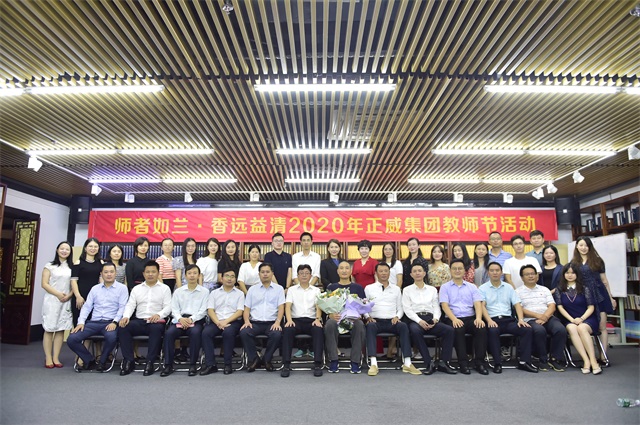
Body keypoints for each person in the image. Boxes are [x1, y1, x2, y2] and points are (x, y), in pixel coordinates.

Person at [67, 263, 128, 372]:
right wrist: (81, 322)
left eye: (111, 272)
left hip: (110, 322)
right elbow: (87, 307)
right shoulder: (95, 288)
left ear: (115, 273)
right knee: (72, 339)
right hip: (93, 323)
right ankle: (89, 360)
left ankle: (102, 361)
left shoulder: (122, 288)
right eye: (106, 272)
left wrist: (115, 322)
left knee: (111, 338)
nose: (109, 274)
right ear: (101, 274)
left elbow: (122, 308)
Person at [479, 262, 537, 374]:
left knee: (526, 329)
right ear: (488, 273)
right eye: (492, 270)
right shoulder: (483, 288)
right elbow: (482, 306)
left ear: (501, 272)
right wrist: (489, 320)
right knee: (492, 331)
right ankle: (497, 363)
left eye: (497, 270)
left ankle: (524, 362)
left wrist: (520, 319)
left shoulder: (508, 287)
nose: (495, 273)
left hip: (508, 320)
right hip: (493, 320)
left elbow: (517, 304)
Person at [364, 263, 421, 376]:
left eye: (386, 271)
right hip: (375, 321)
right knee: (370, 326)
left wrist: (397, 317)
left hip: (392, 320)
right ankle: (373, 363)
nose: (384, 273)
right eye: (381, 271)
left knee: (403, 326)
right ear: (376, 273)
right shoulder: (369, 288)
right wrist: (368, 317)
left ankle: (408, 363)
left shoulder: (396, 289)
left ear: (389, 273)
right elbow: (365, 307)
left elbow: (400, 307)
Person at [402, 263, 457, 375]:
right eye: (415, 271)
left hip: (431, 318)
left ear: (424, 273)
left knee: (449, 330)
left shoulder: (432, 289)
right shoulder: (407, 290)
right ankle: (429, 363)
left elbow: (436, 306)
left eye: (420, 271)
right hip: (415, 319)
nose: (417, 273)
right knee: (415, 331)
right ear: (411, 275)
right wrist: (419, 321)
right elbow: (407, 309)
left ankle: (444, 362)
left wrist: (435, 319)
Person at [118, 261, 172, 376]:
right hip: (139, 320)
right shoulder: (137, 289)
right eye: (147, 272)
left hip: (156, 321)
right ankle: (129, 361)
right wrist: (126, 316)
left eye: (153, 272)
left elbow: (168, 307)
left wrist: (159, 315)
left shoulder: (165, 288)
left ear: (158, 273)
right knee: (123, 327)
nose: (150, 274)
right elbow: (130, 305)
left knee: (156, 329)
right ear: (143, 274)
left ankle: (150, 362)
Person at [439, 258, 489, 375]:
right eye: (454, 269)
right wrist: (454, 319)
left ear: (464, 270)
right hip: (453, 318)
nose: (457, 271)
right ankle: (463, 363)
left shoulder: (472, 287)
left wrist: (478, 318)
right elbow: (444, 306)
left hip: (470, 318)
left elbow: (477, 304)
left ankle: (479, 362)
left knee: (481, 328)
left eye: (460, 268)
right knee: (458, 329)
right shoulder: (445, 287)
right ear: (450, 270)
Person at [160, 264, 209, 377]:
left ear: (199, 275)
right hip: (179, 320)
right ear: (185, 276)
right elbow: (174, 309)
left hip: (196, 320)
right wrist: (181, 319)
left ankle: (193, 364)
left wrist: (191, 319)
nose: (192, 275)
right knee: (169, 333)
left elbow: (203, 311)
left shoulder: (205, 291)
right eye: (189, 273)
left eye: (195, 273)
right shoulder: (178, 291)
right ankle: (168, 365)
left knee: (195, 333)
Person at [517, 264, 567, 372]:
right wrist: (538, 316)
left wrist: (545, 317)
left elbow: (552, 306)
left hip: (548, 317)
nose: (531, 276)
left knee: (560, 329)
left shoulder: (544, 289)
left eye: (533, 274)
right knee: (539, 330)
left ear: (537, 276)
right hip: (530, 319)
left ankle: (555, 359)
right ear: (522, 277)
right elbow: (520, 309)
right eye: (527, 274)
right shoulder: (517, 292)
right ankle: (543, 359)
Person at [553, 263, 602, 375]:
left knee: (582, 328)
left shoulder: (585, 288)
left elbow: (591, 307)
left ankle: (593, 361)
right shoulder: (559, 289)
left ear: (577, 274)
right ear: (563, 274)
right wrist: (572, 319)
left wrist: (581, 318)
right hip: (569, 319)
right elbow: (560, 307)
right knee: (572, 328)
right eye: (567, 273)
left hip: (588, 318)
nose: (570, 275)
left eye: (573, 273)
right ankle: (586, 361)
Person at [572, 236, 616, 358]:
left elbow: (604, 281)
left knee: (602, 326)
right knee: (586, 325)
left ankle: (603, 355)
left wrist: (610, 297)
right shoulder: (573, 263)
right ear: (577, 246)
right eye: (581, 245)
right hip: (583, 296)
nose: (583, 248)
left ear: (590, 247)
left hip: (599, 294)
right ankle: (590, 355)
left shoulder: (597, 260)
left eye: (586, 245)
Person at [239, 263, 285, 372]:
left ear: (272, 273)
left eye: (267, 272)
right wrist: (246, 321)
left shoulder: (279, 289)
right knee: (244, 332)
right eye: (262, 272)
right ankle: (254, 358)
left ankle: (267, 359)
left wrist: (278, 322)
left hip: (272, 322)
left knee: (277, 334)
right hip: (255, 323)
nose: (265, 274)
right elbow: (247, 308)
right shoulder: (252, 289)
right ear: (259, 274)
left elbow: (281, 308)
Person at [281, 264, 324, 378]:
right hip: (295, 320)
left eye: (306, 273)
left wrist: (317, 319)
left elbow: (318, 306)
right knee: (287, 330)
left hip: (311, 320)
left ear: (310, 276)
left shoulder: (316, 290)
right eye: (301, 273)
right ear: (297, 276)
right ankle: (286, 364)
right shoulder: (292, 290)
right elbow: (287, 306)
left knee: (318, 330)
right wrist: (289, 320)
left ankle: (317, 364)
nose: (304, 275)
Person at [200, 269, 245, 375]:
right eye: (227, 276)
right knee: (206, 333)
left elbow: (240, 312)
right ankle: (210, 365)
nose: (229, 278)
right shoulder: (214, 293)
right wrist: (218, 322)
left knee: (228, 333)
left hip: (233, 321)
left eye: (232, 276)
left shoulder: (240, 294)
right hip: (216, 321)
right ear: (222, 278)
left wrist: (226, 322)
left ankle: (228, 364)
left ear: (235, 279)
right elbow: (210, 310)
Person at [325, 261, 366, 374]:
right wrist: (330, 315)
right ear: (337, 271)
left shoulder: (358, 288)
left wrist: (358, 315)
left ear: (351, 271)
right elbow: (326, 306)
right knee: (329, 324)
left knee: (360, 325)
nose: (344, 271)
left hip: (352, 320)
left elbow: (363, 305)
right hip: (337, 319)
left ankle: (355, 361)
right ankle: (334, 360)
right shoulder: (331, 287)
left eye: (347, 268)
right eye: (341, 268)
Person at [41, 241, 73, 368]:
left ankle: (56, 357)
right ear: (57, 250)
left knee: (61, 329)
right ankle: (48, 358)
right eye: (62, 249)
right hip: (52, 300)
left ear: (70, 252)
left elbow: (74, 284)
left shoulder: (71, 267)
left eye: (67, 249)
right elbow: (44, 284)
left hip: (66, 300)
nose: (64, 251)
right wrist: (58, 294)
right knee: (49, 329)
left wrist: (69, 295)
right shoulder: (49, 266)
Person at [70, 237, 103, 325]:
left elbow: (101, 281)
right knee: (78, 323)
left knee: (91, 324)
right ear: (85, 248)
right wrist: (78, 296)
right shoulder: (78, 262)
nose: (93, 249)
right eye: (90, 246)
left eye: (95, 246)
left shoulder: (101, 263)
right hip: (80, 296)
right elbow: (73, 281)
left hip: (95, 297)